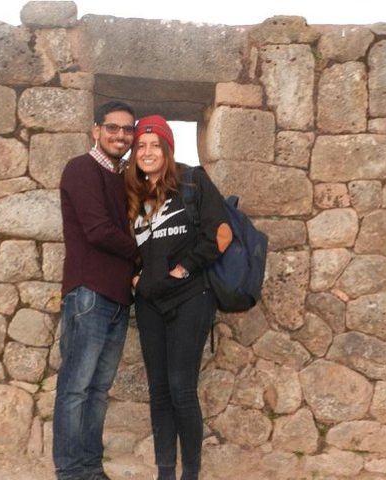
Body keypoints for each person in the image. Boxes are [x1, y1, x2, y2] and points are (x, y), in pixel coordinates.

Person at [125, 115, 232, 480]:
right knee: (158, 392)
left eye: (156, 145)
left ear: (168, 149)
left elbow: (220, 234)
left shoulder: (192, 181)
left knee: (180, 389)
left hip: (190, 297)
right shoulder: (131, 195)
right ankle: (165, 473)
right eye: (141, 145)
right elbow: (121, 244)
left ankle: (191, 474)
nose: (148, 151)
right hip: (150, 303)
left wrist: (181, 270)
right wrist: (135, 276)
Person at [53, 101, 138, 480]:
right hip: (88, 293)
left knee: (99, 391)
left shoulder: (123, 179)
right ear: (95, 130)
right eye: (112, 127)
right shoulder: (81, 169)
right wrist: (145, 254)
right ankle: (71, 471)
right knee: (75, 389)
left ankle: (90, 467)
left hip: (118, 298)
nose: (120, 135)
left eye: (127, 129)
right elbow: (98, 230)